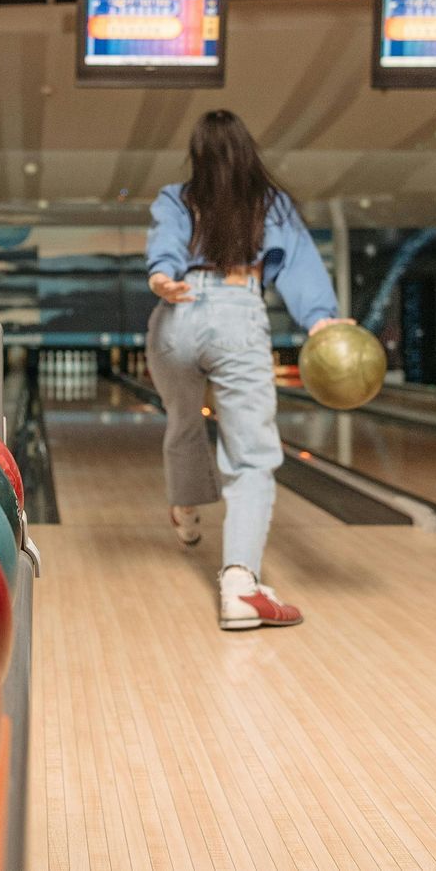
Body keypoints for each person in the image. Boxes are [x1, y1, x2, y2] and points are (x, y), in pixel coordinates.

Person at [144, 109, 347, 631]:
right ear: (247, 152)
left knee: (183, 421)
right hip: (237, 310)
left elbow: (165, 245)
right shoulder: (271, 203)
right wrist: (321, 321)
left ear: (197, 158)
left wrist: (164, 276)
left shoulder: (177, 197)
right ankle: (240, 586)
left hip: (176, 316)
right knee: (251, 458)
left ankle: (186, 511)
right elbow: (301, 266)